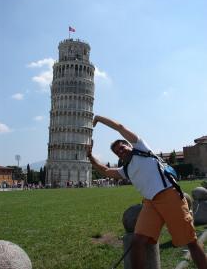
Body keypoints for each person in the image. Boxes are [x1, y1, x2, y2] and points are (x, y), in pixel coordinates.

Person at [87, 115, 207, 269]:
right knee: (137, 242)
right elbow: (105, 170)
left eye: (122, 147)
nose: (121, 152)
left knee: (190, 241)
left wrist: (99, 119)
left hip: (169, 195)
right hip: (150, 203)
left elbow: (119, 127)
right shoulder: (126, 169)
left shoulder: (141, 147)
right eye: (117, 152)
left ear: (129, 144)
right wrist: (90, 156)